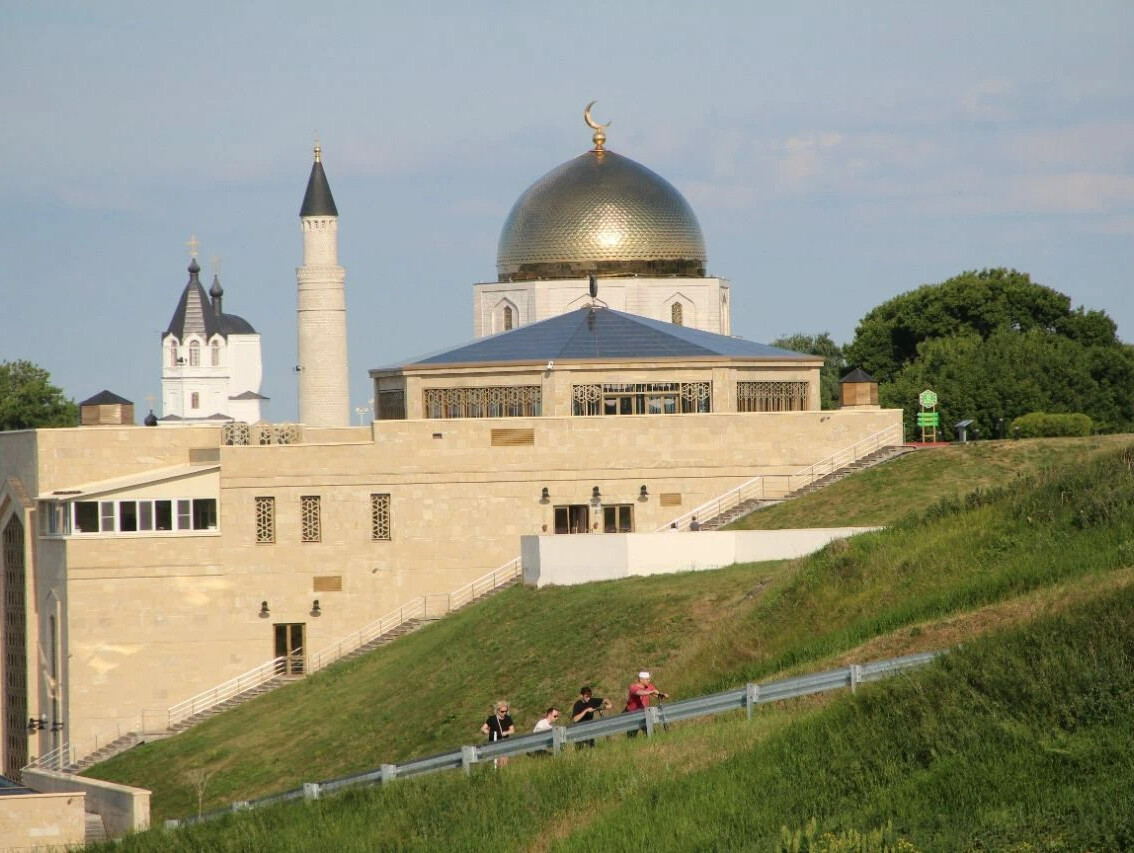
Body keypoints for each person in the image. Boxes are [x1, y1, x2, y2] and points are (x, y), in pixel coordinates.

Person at [624, 671, 668, 736]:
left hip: (644, 713)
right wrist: (650, 692)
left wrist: (662, 695)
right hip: (633, 714)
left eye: (649, 679)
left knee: (651, 732)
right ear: (641, 680)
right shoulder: (633, 687)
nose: (649, 680)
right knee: (632, 734)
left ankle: (652, 743)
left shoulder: (649, 686)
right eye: (647, 679)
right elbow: (639, 692)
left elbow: (656, 694)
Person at [481, 700, 515, 766]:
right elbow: (483, 728)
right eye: (502, 711)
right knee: (497, 762)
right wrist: (487, 731)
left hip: (504, 742)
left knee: (505, 761)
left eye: (506, 711)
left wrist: (506, 732)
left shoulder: (508, 718)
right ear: (498, 710)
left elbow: (512, 730)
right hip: (494, 742)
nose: (504, 713)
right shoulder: (492, 719)